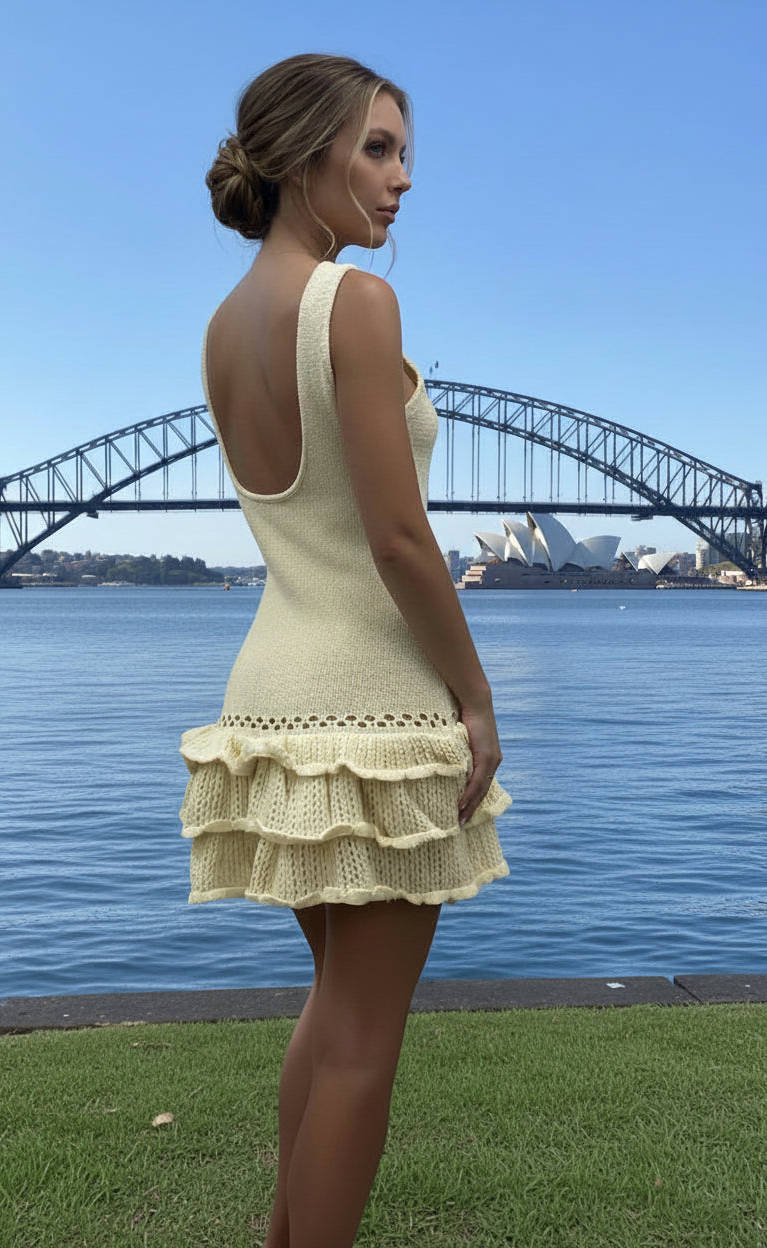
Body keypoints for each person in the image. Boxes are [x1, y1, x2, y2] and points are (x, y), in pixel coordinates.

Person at [179, 52, 511, 1248]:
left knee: (332, 1010)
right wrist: (475, 701)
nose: (401, 179)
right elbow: (398, 539)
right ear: (303, 155)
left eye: (405, 152)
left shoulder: (224, 330)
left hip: (272, 691)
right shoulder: (354, 306)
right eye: (377, 149)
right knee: (367, 1042)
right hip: (372, 705)